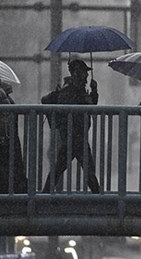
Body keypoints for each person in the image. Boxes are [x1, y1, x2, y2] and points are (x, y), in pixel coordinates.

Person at [42, 59, 101, 193]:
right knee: (87, 169)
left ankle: (44, 194)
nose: (86, 76)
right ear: (76, 73)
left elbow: (90, 107)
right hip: (74, 137)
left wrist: (94, 91)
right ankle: (100, 198)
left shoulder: (77, 90)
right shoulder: (69, 92)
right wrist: (90, 95)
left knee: (60, 168)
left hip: (74, 137)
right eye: (84, 72)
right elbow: (85, 109)